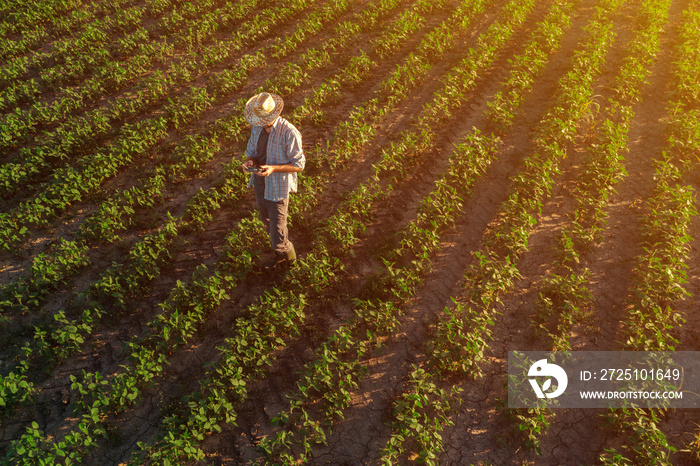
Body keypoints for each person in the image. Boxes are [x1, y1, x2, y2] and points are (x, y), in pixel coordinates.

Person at [241, 92, 305, 270]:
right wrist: (250, 162)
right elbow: (251, 150)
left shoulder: (289, 132)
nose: (260, 123)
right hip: (260, 183)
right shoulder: (257, 127)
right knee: (266, 220)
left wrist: (273, 168)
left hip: (278, 187)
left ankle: (291, 266)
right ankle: (280, 257)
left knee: (278, 232)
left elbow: (299, 165)